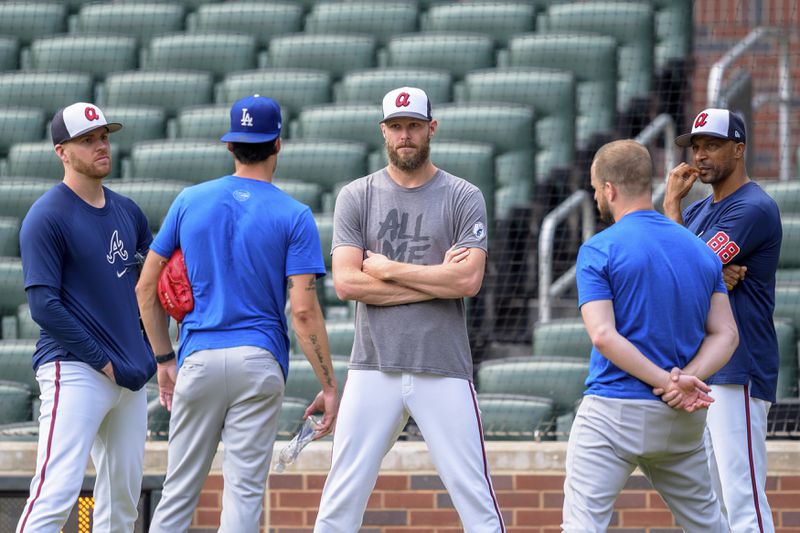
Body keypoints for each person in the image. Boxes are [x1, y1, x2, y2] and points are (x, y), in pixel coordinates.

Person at [135, 94, 339, 533]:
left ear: (230, 145)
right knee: (243, 496)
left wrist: (164, 359)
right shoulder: (295, 214)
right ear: (278, 143)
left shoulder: (190, 200)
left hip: (199, 358)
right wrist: (328, 385)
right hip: (258, 361)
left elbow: (145, 286)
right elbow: (303, 312)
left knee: (178, 493)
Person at [313, 87, 503, 533]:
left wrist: (389, 269)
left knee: (475, 498)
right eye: (396, 127)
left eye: (414, 126)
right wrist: (437, 280)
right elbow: (346, 283)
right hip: (372, 367)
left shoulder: (463, 195)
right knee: (339, 502)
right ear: (383, 132)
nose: (405, 135)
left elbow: (468, 281)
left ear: (431, 129)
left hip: (443, 366)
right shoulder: (356, 196)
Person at [562, 139, 739, 532]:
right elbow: (726, 334)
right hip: (682, 419)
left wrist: (667, 381)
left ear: (609, 189)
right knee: (709, 525)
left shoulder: (598, 248)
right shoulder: (700, 251)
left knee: (581, 525)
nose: (596, 197)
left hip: (613, 411)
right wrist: (685, 381)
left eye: (595, 189)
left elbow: (604, 336)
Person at [16, 102, 155, 532]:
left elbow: (150, 289)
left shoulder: (128, 211)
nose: (101, 146)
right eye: (88, 140)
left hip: (129, 379)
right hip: (75, 368)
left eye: (104, 137)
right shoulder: (46, 216)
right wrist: (103, 360)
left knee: (122, 506)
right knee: (56, 496)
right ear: (62, 151)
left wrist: (149, 355)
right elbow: (44, 307)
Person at [664, 107, 782, 532]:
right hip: (705, 369)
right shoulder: (694, 213)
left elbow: (685, 270)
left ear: (739, 149)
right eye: (695, 147)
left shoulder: (753, 206)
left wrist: (700, 272)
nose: (700, 155)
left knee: (742, 498)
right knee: (709, 504)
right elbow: (669, 272)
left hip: (739, 367)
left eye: (712, 145)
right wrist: (673, 203)